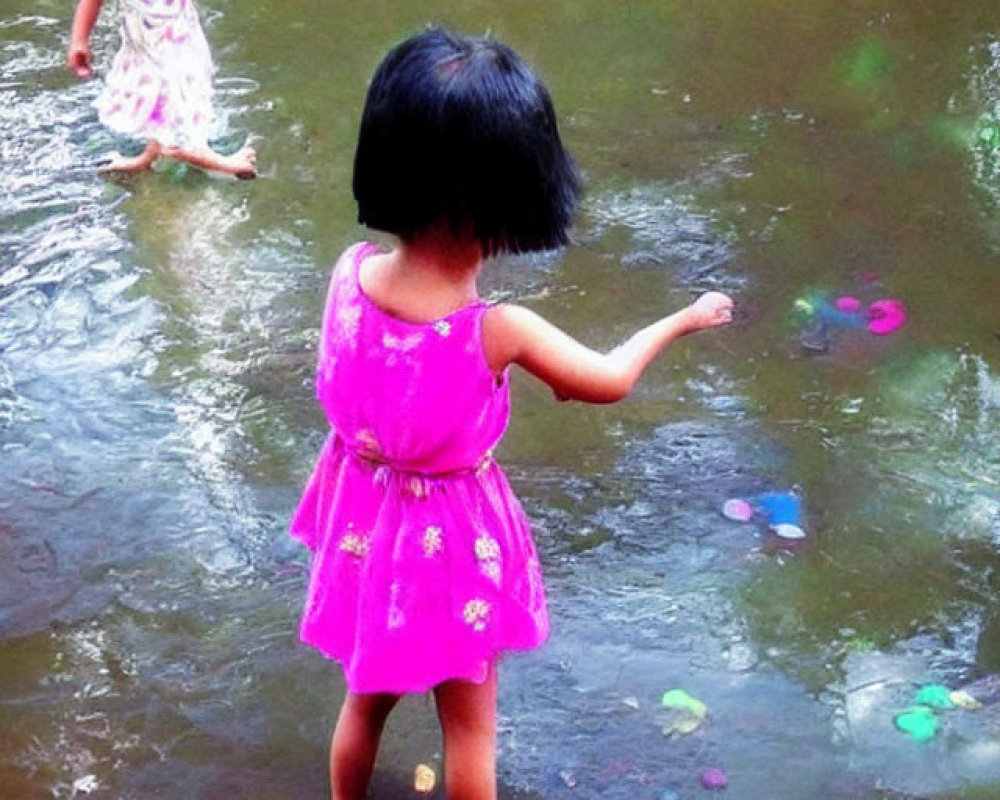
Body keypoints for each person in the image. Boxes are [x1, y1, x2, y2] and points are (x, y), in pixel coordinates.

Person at [290, 27, 733, 800]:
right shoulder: (497, 331)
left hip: (365, 526)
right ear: (509, 200)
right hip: (450, 545)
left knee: (364, 700)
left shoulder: (348, 275)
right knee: (470, 734)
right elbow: (608, 380)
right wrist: (683, 319)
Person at [67, 0, 256, 178]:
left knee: (155, 83)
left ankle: (151, 152)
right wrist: (79, 40)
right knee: (178, 80)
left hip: (149, 29)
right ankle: (190, 149)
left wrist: (79, 40)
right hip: (168, 31)